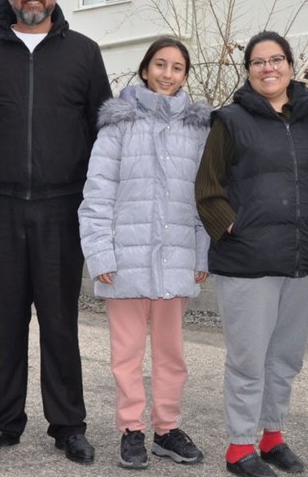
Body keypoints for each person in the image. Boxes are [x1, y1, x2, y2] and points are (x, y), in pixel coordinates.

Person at [0, 0, 111, 465]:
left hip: (64, 208)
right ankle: (3, 424)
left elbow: (106, 131)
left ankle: (68, 426)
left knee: (60, 321)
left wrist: (100, 200)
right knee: (7, 319)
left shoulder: (84, 53)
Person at [195, 31, 308, 477]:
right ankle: (238, 448)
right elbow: (208, 189)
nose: (268, 68)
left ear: (291, 65)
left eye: (276, 60)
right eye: (258, 62)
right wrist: (235, 228)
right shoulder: (229, 120)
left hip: (299, 258)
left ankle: (271, 436)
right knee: (248, 359)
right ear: (248, 70)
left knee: (285, 356)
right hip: (247, 262)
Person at [78, 38, 211, 470]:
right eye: (160, 64)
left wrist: (200, 255)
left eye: (177, 67)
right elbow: (97, 193)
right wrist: (100, 255)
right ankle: (131, 430)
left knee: (172, 354)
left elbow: (204, 198)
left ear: (185, 75)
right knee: (127, 354)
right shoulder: (118, 124)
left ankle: (167, 429)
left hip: (176, 260)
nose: (168, 74)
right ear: (145, 69)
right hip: (125, 262)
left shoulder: (198, 129)